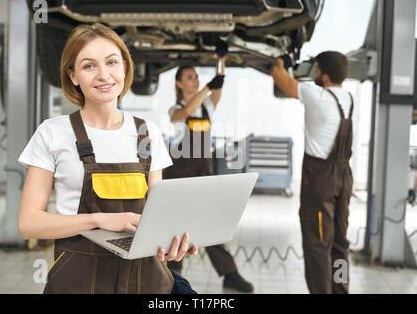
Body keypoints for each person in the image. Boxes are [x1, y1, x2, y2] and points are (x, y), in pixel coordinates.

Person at [17, 23, 197, 294]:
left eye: (112, 62)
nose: (104, 75)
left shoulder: (147, 132)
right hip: (78, 281)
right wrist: (98, 220)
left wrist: (171, 241)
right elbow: (29, 224)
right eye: (89, 66)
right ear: (73, 75)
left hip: (146, 280)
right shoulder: (52, 133)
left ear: (124, 67)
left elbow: (156, 214)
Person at [163, 62, 254, 293]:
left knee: (210, 224)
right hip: (180, 177)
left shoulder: (206, 107)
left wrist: (220, 61)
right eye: (190, 77)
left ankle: (230, 274)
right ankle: (171, 278)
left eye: (196, 77)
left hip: (203, 173)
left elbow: (218, 88)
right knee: (177, 227)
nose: (194, 81)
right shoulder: (175, 109)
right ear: (179, 83)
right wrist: (206, 87)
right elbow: (183, 113)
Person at [270, 51, 354, 294]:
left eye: (316, 70)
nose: (314, 74)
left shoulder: (316, 95)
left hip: (321, 181)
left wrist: (282, 62)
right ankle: (340, 290)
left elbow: (278, 75)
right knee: (340, 243)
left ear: (324, 75)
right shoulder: (349, 99)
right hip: (343, 177)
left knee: (317, 245)